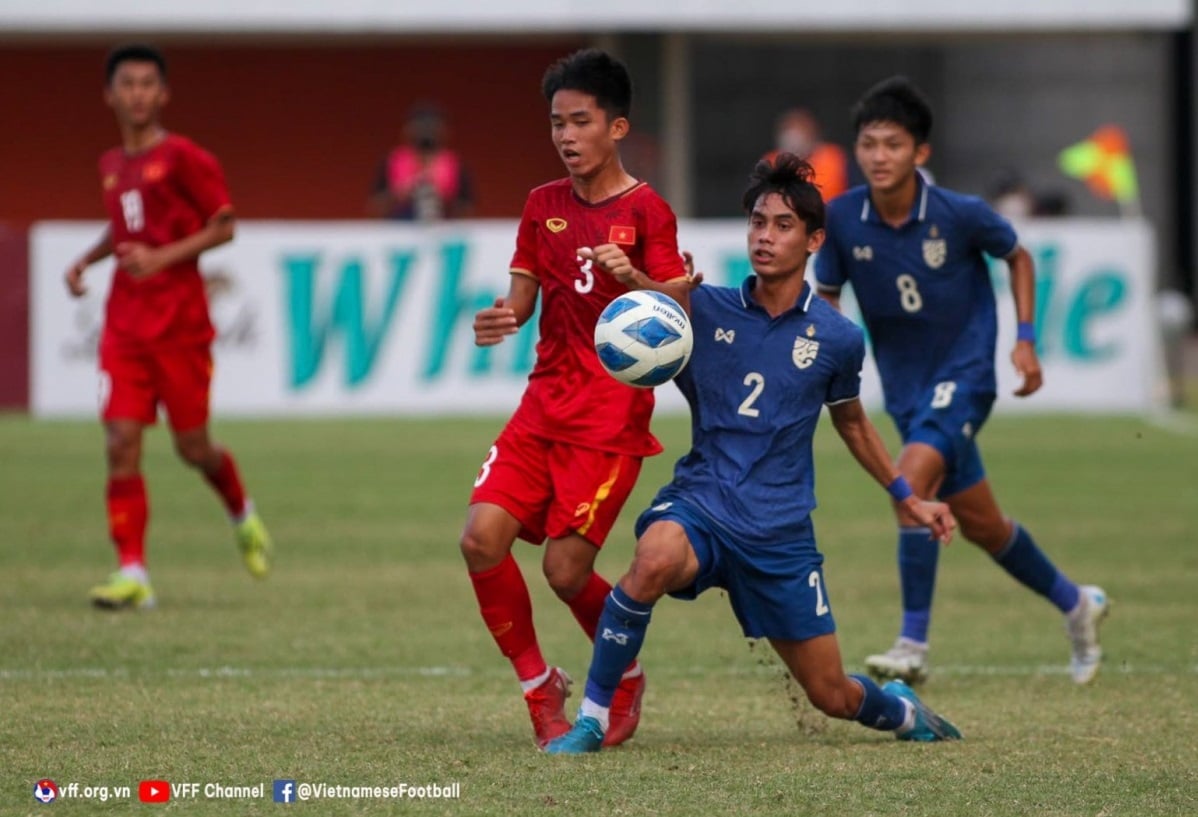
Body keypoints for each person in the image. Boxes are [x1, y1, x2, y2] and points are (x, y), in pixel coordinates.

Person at [545, 154, 962, 754]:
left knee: (832, 696)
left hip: (778, 531)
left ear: (814, 239)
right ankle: (591, 718)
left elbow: (852, 423)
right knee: (654, 557)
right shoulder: (704, 307)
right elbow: (655, 313)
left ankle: (899, 710)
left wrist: (909, 498)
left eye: (783, 225)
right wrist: (633, 279)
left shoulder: (838, 338)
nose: (765, 237)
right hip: (703, 504)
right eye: (758, 223)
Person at [814, 76, 1108, 685]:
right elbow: (827, 292)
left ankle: (911, 643)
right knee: (983, 526)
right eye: (869, 143)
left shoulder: (959, 213)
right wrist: (828, 352)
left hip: (966, 376)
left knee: (912, 478)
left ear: (920, 152)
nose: (878, 156)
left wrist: (1024, 340)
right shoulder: (842, 218)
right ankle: (1077, 604)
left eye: (893, 144)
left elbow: (1019, 255)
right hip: (905, 390)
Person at [462, 48, 691, 750]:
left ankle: (621, 675)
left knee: (565, 571)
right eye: (557, 122)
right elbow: (523, 299)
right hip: (542, 405)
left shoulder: (649, 210)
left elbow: (682, 300)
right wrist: (500, 318)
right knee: (479, 540)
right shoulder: (541, 205)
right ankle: (540, 690)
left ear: (616, 127)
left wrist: (640, 282)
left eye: (580, 121)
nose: (565, 136)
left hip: (610, 417)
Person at [65, 44, 272, 610]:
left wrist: (162, 258)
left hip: (180, 329)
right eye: (126, 84)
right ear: (109, 94)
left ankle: (242, 512)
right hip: (124, 328)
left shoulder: (184, 158)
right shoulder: (112, 165)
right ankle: (133, 571)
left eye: (147, 84)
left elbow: (224, 225)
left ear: (163, 94)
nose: (137, 93)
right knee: (120, 441)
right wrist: (87, 260)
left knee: (193, 447)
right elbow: (123, 228)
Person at [367, 104, 474, 221]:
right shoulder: (392, 161)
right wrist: (400, 193)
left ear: (444, 130)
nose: (426, 131)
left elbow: (468, 210)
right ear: (407, 129)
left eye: (432, 126)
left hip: (443, 232)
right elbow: (374, 208)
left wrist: (443, 197)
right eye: (421, 126)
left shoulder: (455, 164)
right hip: (399, 232)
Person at [764, 108, 849, 201]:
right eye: (789, 137)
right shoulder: (771, 162)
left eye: (798, 136)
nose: (793, 143)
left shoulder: (833, 157)